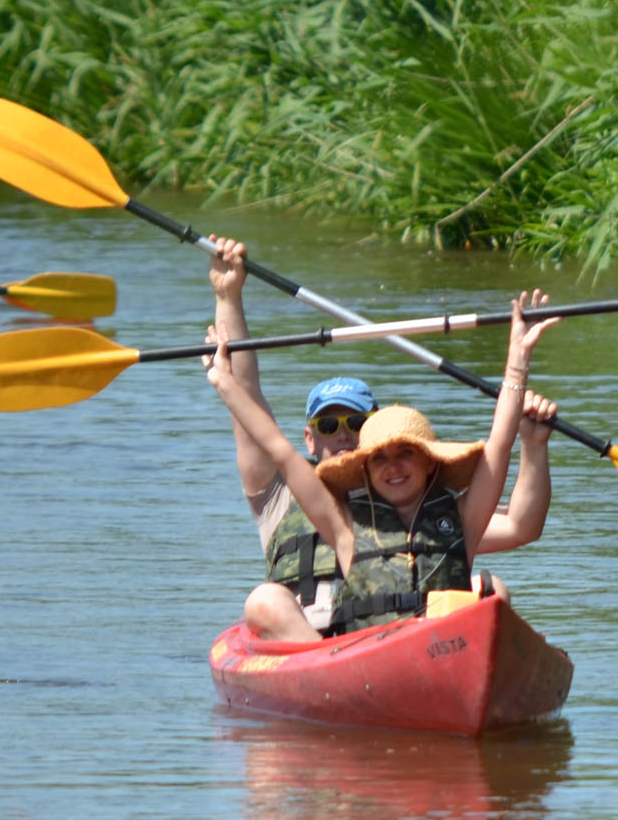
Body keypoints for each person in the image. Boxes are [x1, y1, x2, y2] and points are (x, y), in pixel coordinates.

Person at [209, 238, 559, 636]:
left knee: (491, 591)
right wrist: (226, 322)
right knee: (264, 600)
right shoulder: (330, 518)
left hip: (428, 645)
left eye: (357, 426)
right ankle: (327, 684)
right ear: (310, 438)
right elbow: (267, 433)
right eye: (328, 426)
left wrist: (519, 367)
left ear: (428, 461)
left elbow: (502, 456)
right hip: (322, 650)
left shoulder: (446, 516)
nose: (343, 436)